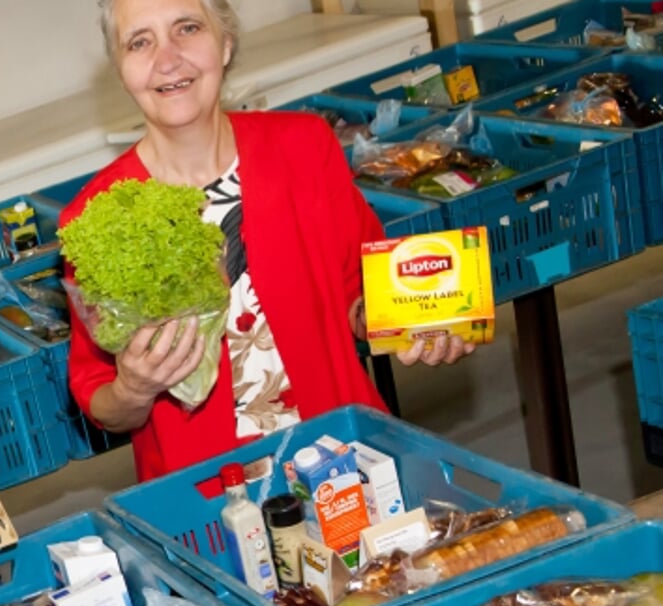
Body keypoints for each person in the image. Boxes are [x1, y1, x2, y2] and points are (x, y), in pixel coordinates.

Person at [68, 0, 474, 482]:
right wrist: (134, 389)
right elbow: (102, 400)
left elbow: (357, 292)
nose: (167, 58)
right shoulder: (99, 216)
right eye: (140, 42)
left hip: (346, 460)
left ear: (225, 43)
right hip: (206, 507)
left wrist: (418, 323)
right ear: (122, 69)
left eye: (187, 28)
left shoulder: (304, 147)